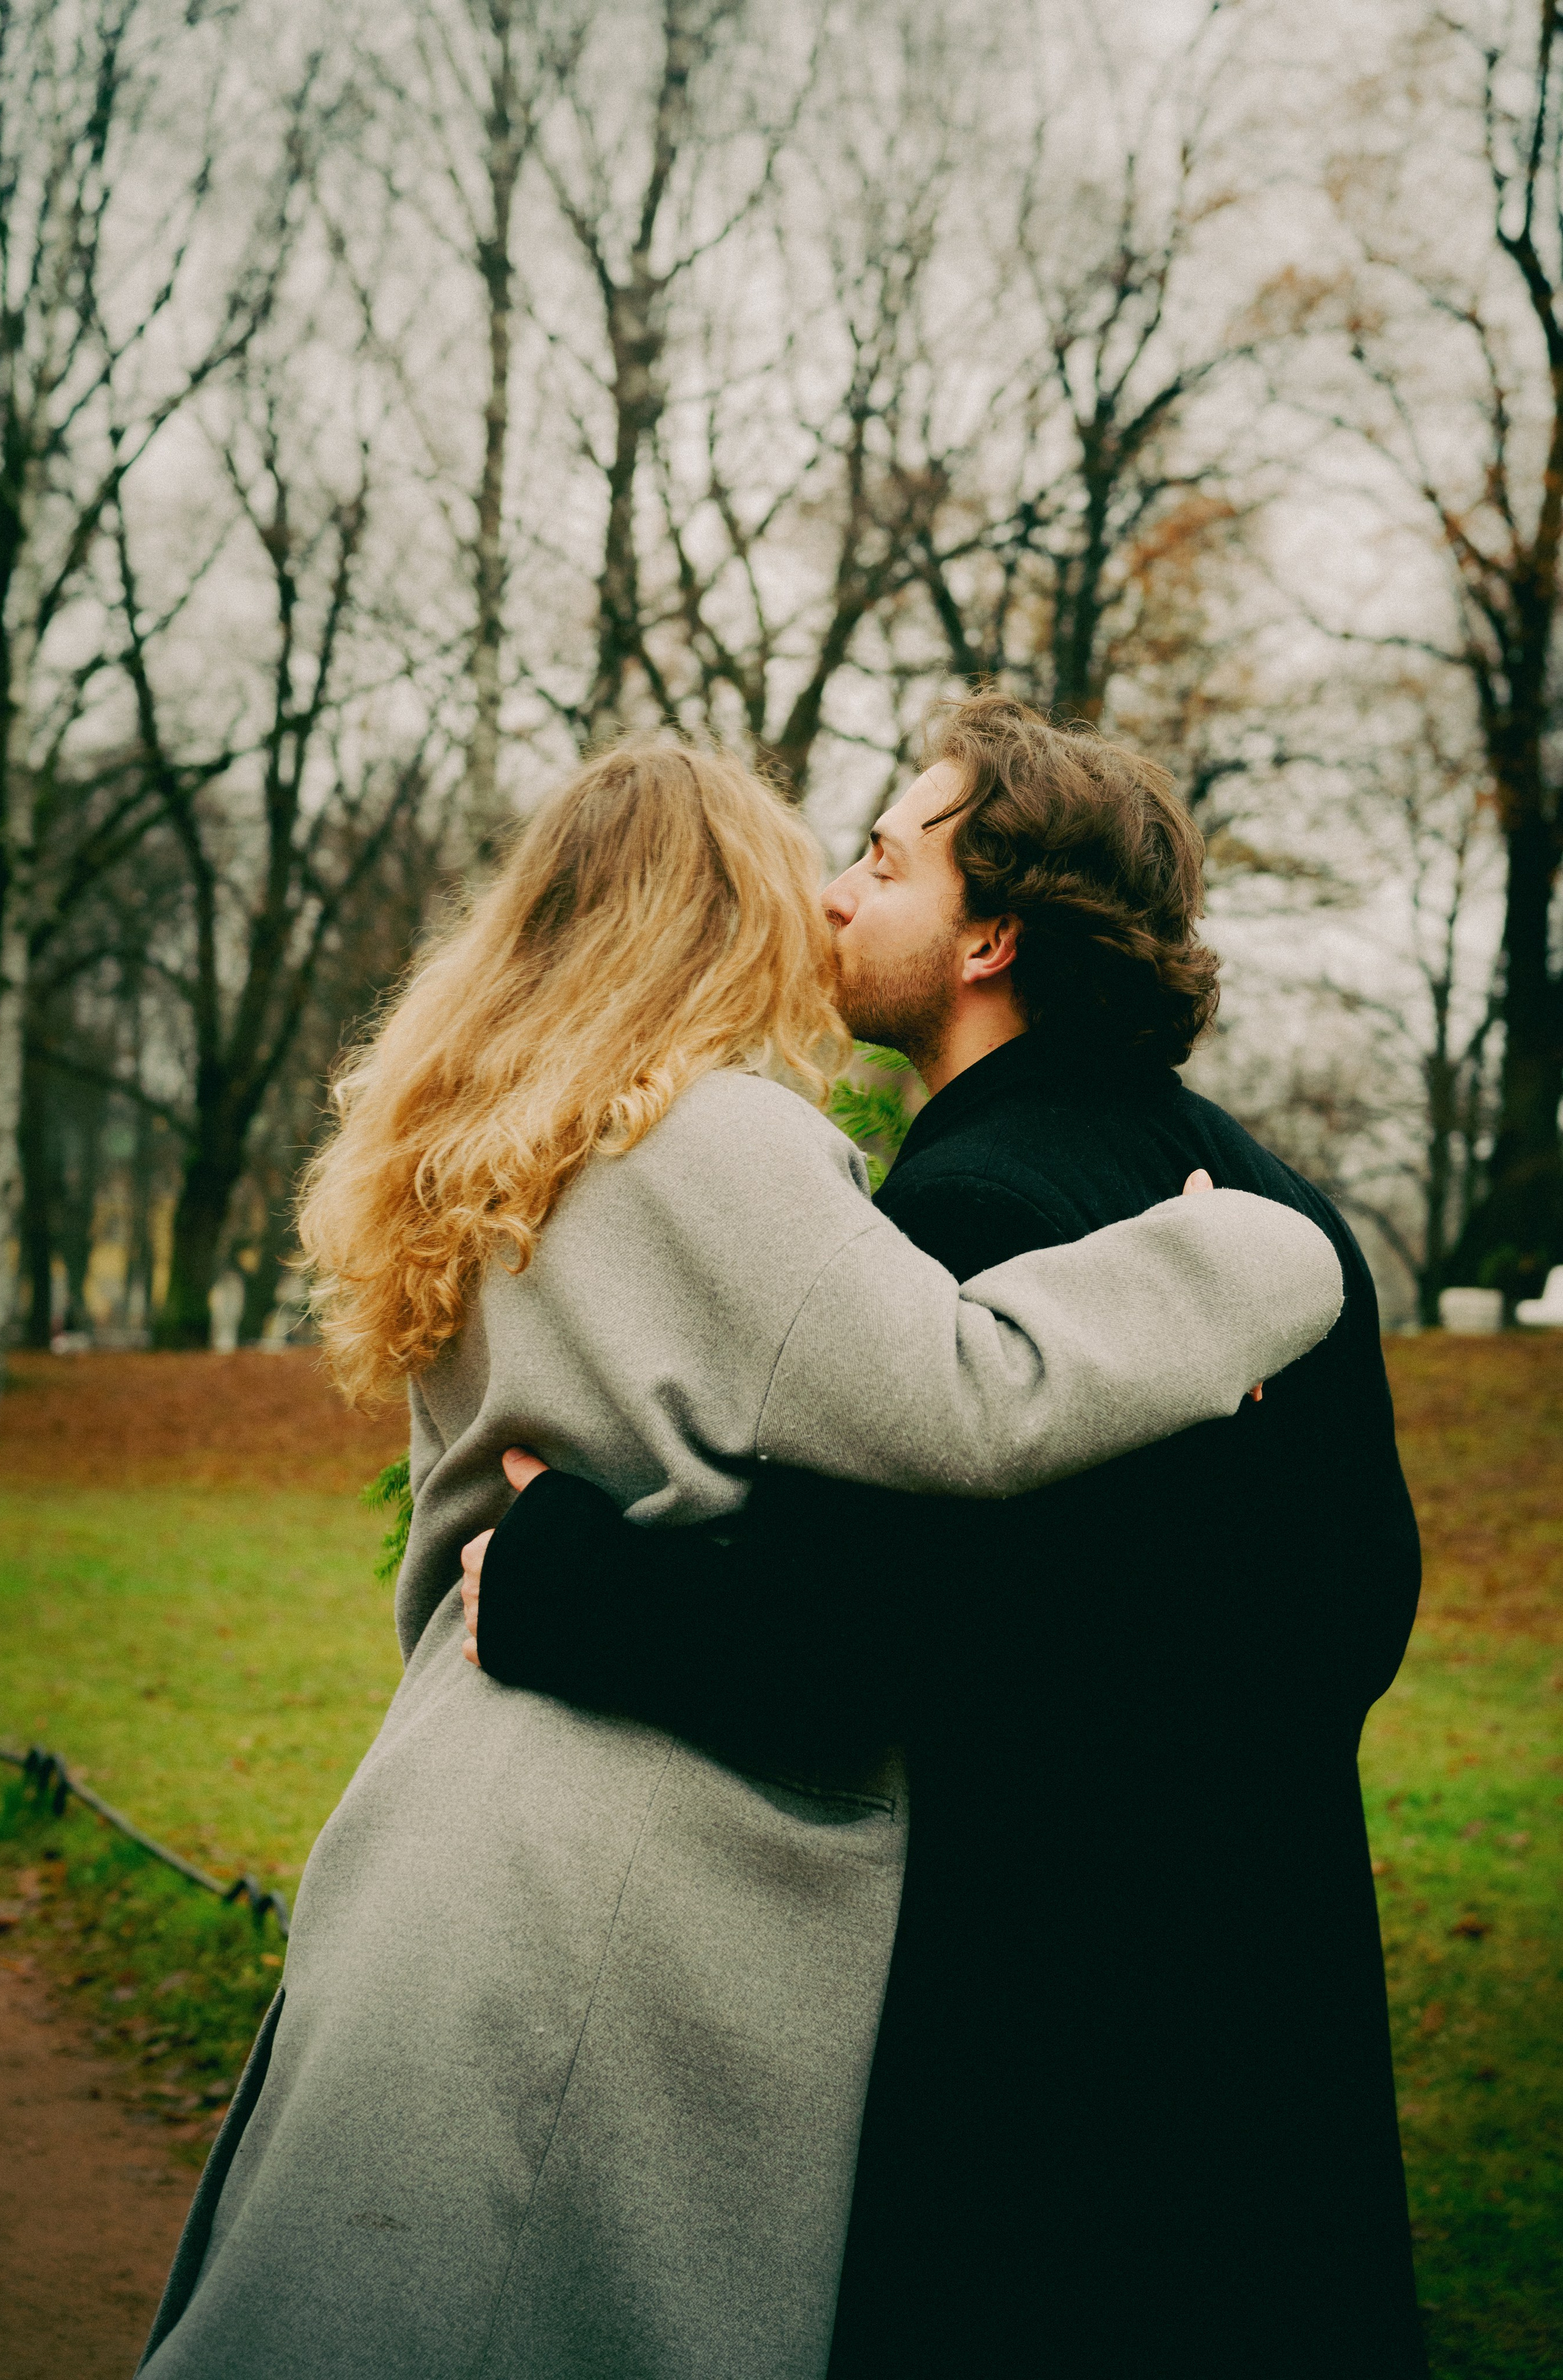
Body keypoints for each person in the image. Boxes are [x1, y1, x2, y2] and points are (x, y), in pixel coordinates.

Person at [136, 735, 1339, 2380]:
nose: (831, 903)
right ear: (720, 917)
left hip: (450, 1796)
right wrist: (1245, 1252)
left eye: (874, 864)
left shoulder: (500, 1142)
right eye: (807, 874)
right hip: (627, 1856)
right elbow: (971, 1391)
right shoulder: (710, 1146)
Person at [463, 698, 1428, 2379]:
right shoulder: (1268, 1202)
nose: (832, 894)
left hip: (1040, 2065)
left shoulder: (963, 1217)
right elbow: (1365, 1610)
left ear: (991, 933)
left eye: (884, 860)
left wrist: (544, 1571)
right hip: (1274, 2025)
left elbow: (840, 1653)